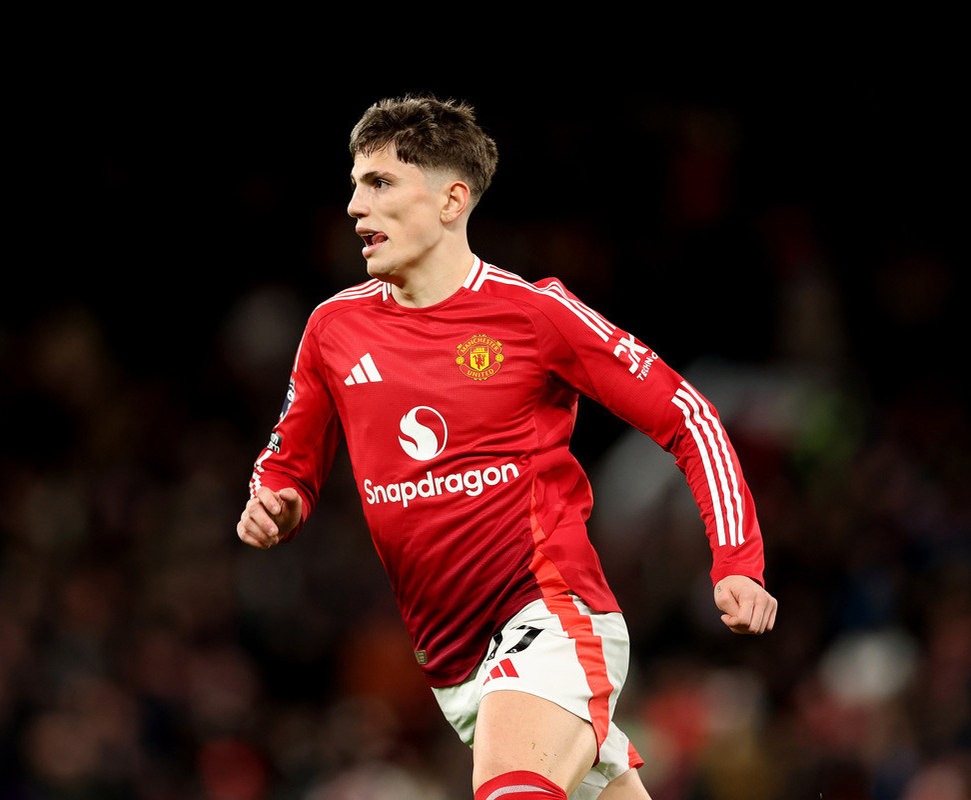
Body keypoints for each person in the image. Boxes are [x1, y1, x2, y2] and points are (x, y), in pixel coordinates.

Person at [237, 95, 777, 800]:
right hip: (456, 664)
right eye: (352, 184)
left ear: (451, 200)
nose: (352, 206)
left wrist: (737, 559)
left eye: (378, 184)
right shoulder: (333, 329)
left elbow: (687, 415)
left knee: (509, 787)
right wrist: (276, 501)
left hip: (549, 614)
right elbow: (289, 462)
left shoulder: (533, 314)